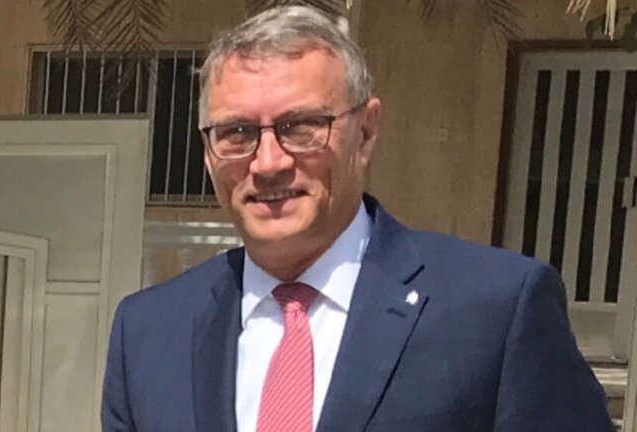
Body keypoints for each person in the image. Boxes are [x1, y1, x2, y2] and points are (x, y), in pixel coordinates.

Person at [102, 5, 614, 432]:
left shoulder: (495, 309)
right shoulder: (148, 331)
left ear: (365, 132)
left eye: (301, 126)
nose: (268, 163)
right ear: (208, 152)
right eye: (237, 133)